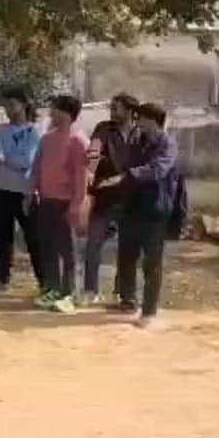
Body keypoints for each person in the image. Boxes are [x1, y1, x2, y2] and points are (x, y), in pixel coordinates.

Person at [95, 102, 179, 328]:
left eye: (140, 118)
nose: (137, 121)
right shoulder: (137, 141)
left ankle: (149, 311)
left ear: (152, 119)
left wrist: (126, 176)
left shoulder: (167, 143)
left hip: (154, 210)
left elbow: (157, 170)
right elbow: (125, 169)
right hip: (132, 207)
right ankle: (127, 300)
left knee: (152, 262)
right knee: (126, 256)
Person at [29, 95, 89, 315]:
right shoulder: (47, 139)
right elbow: (37, 168)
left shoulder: (78, 140)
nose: (50, 113)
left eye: (54, 109)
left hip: (67, 202)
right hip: (46, 200)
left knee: (69, 250)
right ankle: (53, 288)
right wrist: (30, 192)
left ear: (66, 112)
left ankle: (71, 293)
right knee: (48, 247)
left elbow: (81, 176)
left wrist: (77, 204)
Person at [82, 93, 141, 305]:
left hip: (131, 199)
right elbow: (94, 150)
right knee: (93, 245)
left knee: (129, 248)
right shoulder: (104, 128)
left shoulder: (140, 132)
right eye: (112, 107)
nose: (112, 111)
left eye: (117, 108)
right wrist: (90, 170)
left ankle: (124, 293)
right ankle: (90, 290)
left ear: (130, 111)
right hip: (105, 197)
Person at [0, 88, 42, 291]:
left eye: (12, 105)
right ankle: (2, 279)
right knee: (3, 239)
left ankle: (44, 280)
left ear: (24, 105)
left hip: (27, 193)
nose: (8, 110)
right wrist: (16, 161)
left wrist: (11, 160)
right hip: (3, 191)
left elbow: (31, 160)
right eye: (6, 106)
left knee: (34, 239)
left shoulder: (35, 131)